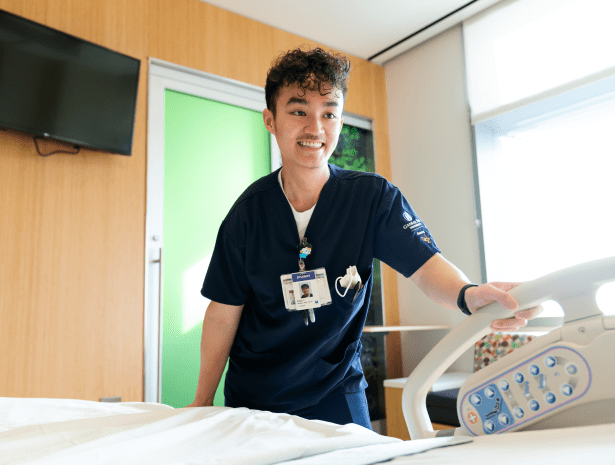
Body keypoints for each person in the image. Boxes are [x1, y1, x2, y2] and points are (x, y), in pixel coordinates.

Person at [187, 47, 539, 429]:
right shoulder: (247, 215)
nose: (316, 129)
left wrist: (468, 295)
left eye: (329, 113)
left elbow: (425, 267)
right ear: (271, 120)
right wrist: (202, 400)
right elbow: (223, 314)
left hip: (335, 392)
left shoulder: (372, 198)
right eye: (299, 111)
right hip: (257, 397)